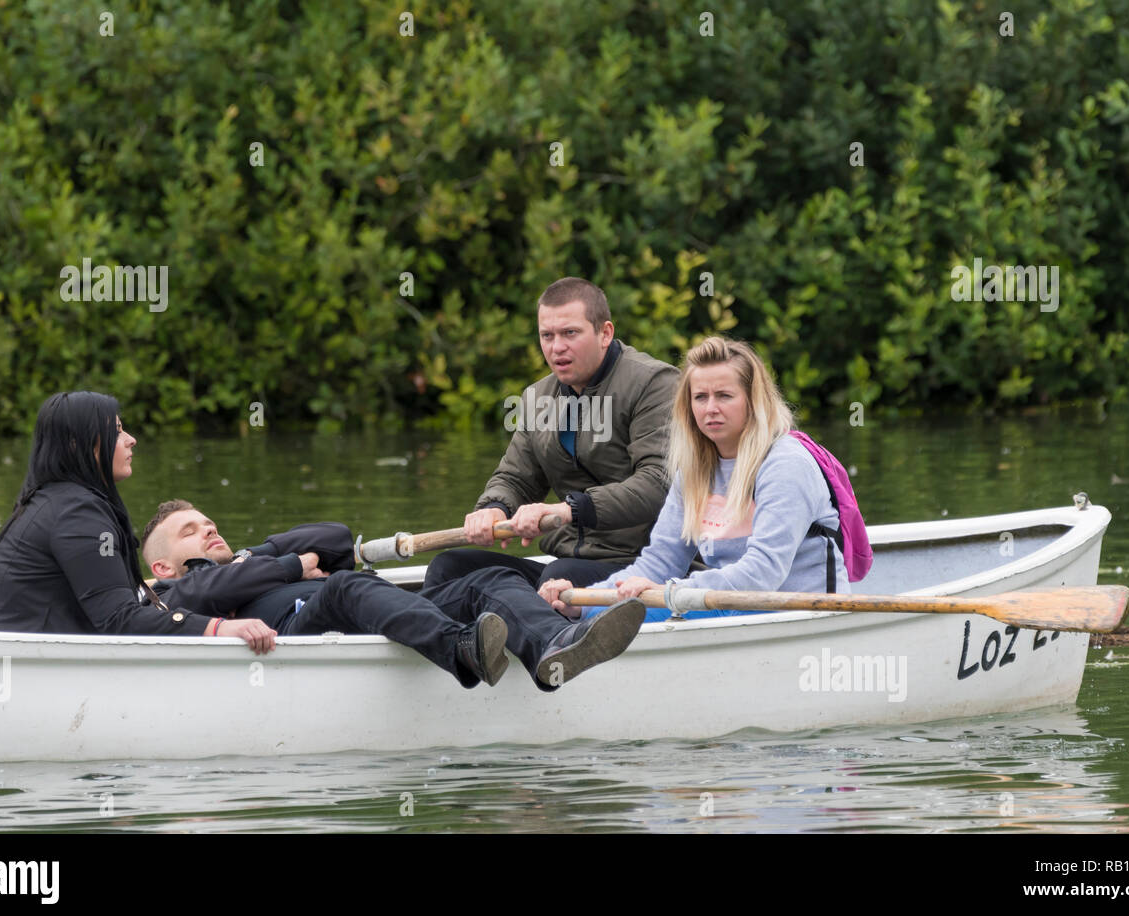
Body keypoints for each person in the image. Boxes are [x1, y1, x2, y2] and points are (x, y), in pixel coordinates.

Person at [142, 502, 647, 690]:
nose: (209, 532)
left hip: (371, 610)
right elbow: (212, 587)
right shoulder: (165, 592)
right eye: (191, 531)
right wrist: (294, 566)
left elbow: (335, 535)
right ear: (162, 564)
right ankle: (461, 650)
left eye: (211, 523)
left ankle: (556, 645)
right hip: (300, 632)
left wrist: (260, 554)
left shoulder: (249, 561)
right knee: (344, 583)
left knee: (484, 581)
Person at [539, 337, 850, 620]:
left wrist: (672, 592)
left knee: (629, 620)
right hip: (726, 605)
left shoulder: (785, 464)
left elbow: (763, 572)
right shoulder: (693, 470)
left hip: (795, 611)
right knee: (590, 617)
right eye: (700, 397)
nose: (710, 408)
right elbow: (659, 563)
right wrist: (585, 603)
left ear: (754, 401)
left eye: (724, 396)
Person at [424, 276, 679, 590]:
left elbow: (658, 483)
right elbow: (516, 478)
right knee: (449, 567)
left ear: (605, 333)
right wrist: (493, 507)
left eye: (570, 333)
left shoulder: (655, 384)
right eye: (547, 335)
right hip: (568, 562)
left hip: (644, 564)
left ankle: (527, 628)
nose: (557, 347)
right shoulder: (538, 397)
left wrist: (571, 508)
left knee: (557, 576)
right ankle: (464, 638)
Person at [0, 391, 275, 652]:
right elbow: (118, 620)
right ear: (77, 445)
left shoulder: (51, 499)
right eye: (117, 432)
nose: (131, 439)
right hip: (36, 669)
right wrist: (218, 628)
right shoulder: (77, 514)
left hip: (21, 654)